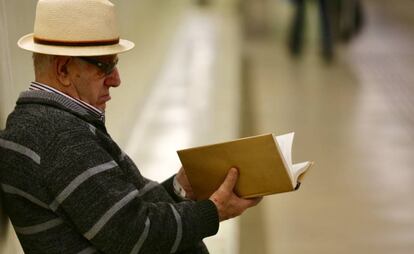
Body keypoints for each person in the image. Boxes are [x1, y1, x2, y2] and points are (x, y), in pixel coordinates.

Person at [0, 0, 261, 253]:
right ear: (64, 71)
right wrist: (214, 210)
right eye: (105, 67)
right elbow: (134, 235)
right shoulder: (60, 138)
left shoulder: (40, 123)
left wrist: (180, 188)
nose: (116, 80)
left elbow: (124, 213)